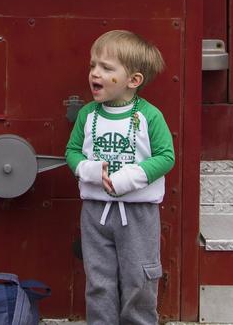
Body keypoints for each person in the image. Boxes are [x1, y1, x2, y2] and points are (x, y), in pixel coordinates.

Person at [65, 30, 174, 325]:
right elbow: (73, 151)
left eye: (106, 68)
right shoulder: (88, 115)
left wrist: (132, 178)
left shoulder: (149, 116)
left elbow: (166, 157)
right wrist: (86, 170)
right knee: (99, 281)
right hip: (96, 213)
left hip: (138, 214)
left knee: (139, 278)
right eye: (92, 66)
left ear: (133, 80)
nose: (95, 74)